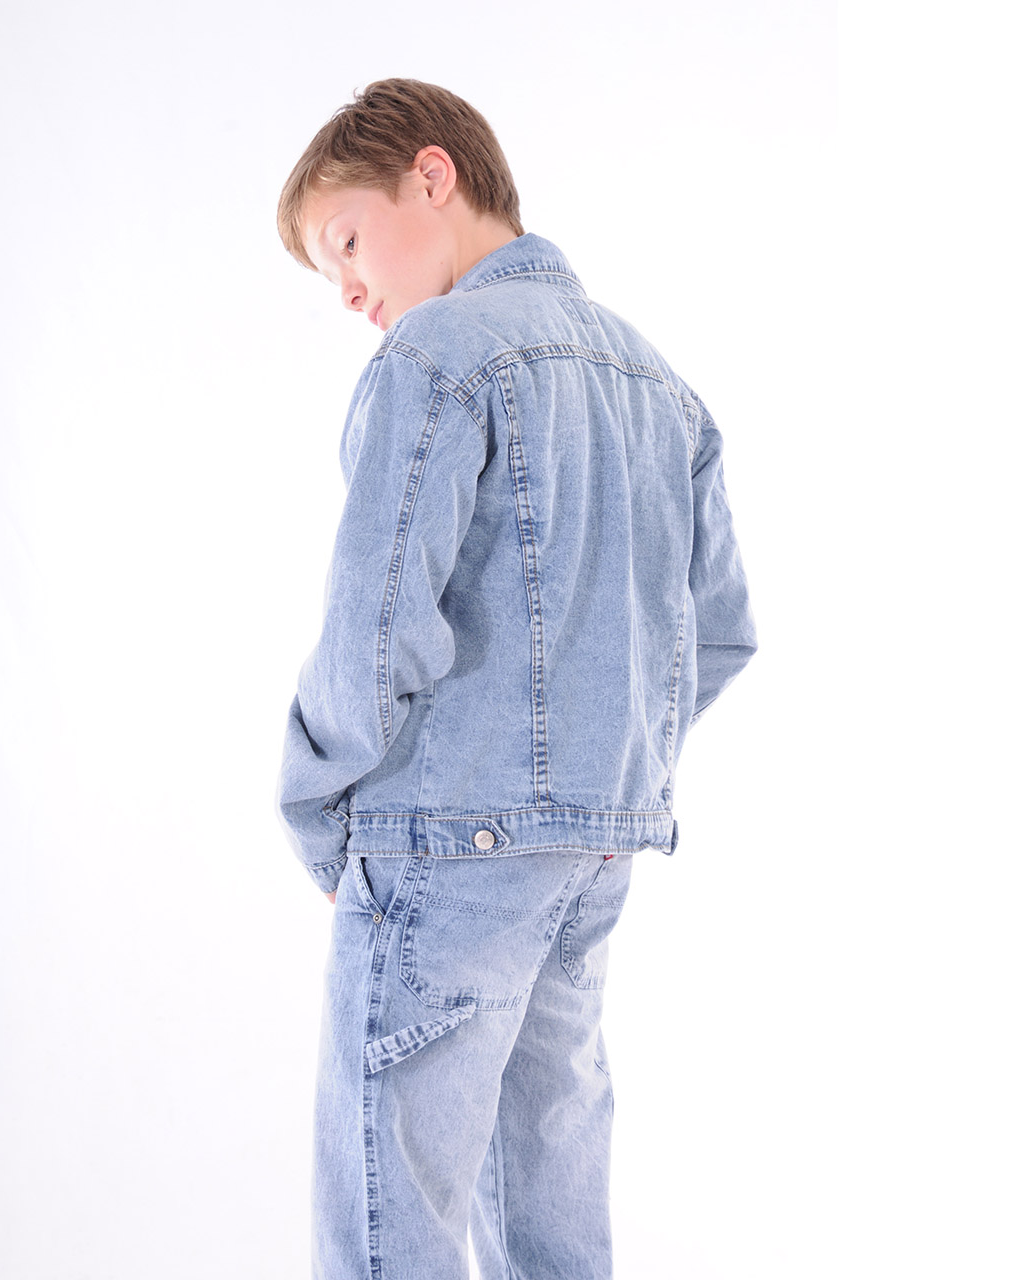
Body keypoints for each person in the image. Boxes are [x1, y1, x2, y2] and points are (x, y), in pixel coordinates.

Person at [273, 77, 757, 1280]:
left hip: (440, 848)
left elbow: (373, 627)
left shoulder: (438, 356)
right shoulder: (660, 385)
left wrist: (317, 810)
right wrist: (605, 773)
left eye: (345, 241)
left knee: (391, 1218)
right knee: (549, 1194)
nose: (347, 292)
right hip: (592, 856)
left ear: (430, 175)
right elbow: (720, 630)